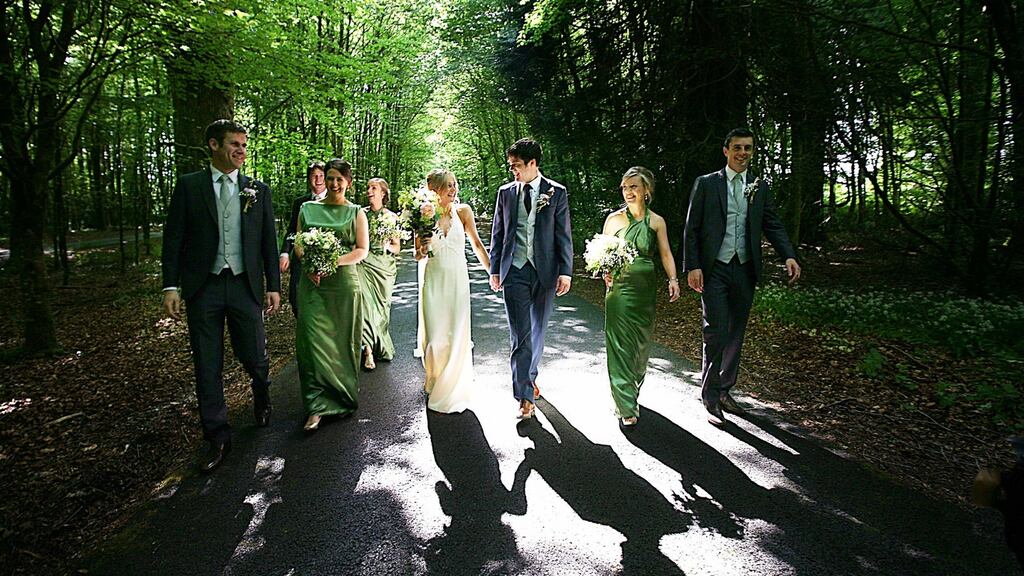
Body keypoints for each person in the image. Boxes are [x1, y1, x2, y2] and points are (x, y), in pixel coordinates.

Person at [161, 119, 281, 473]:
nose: (241, 151)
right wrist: (171, 286)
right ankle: (218, 436)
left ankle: (261, 392)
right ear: (213, 145)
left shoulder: (257, 190)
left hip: (244, 286)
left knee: (254, 356)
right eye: (234, 144)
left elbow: (267, 243)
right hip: (204, 288)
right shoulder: (189, 187)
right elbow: (174, 239)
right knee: (207, 364)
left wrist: (272, 285)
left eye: (244, 145)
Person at [682, 128, 801, 427]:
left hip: (745, 268)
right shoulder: (707, 184)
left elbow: (772, 223)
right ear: (726, 150)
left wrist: (788, 254)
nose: (743, 153)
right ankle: (710, 396)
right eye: (737, 147)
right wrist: (692, 266)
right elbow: (691, 228)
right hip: (715, 268)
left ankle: (725, 390)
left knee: (736, 331)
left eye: (748, 148)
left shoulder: (759, 187)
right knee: (716, 330)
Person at [488, 138, 573, 420]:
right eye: (511, 166)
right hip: (515, 270)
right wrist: (495, 270)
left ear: (532, 163)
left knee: (537, 332)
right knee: (520, 335)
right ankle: (524, 396)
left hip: (545, 271)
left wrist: (566, 271)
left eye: (517, 165)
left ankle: (530, 375)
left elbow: (563, 234)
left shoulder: (556, 193)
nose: (512, 170)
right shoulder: (505, 193)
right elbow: (498, 233)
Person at [293, 158, 369, 432]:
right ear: (324, 179)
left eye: (340, 179)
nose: (335, 183)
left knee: (341, 343)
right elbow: (299, 243)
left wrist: (330, 262)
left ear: (348, 182)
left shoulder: (356, 212)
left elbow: (362, 250)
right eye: (331, 178)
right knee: (311, 343)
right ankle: (316, 406)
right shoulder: (308, 209)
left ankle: (341, 397)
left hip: (343, 286)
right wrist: (310, 264)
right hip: (312, 286)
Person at [601, 167, 680, 427]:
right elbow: (602, 253)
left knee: (641, 345)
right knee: (620, 344)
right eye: (624, 187)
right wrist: (605, 271)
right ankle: (625, 405)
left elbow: (666, 253)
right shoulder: (613, 220)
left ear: (646, 190)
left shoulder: (656, 221)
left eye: (633, 186)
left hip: (645, 288)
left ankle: (631, 389)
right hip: (620, 288)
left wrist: (673, 280)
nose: (628, 192)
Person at [417, 169, 491, 413]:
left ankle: (453, 388)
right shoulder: (425, 215)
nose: (452, 189)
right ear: (434, 189)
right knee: (437, 338)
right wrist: (424, 246)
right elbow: (418, 254)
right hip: (434, 280)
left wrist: (494, 272)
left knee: (456, 336)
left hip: (458, 281)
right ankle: (435, 378)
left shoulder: (464, 212)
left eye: (454, 184)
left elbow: (477, 245)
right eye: (447, 185)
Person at [359, 177, 400, 370]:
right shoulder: (360, 214)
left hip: (384, 267)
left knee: (381, 310)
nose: (369, 191)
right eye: (368, 188)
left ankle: (380, 346)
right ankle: (367, 351)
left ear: (383, 193)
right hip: (364, 264)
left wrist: (386, 245)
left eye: (373, 188)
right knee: (365, 307)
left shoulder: (391, 217)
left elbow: (397, 248)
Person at [280, 161, 327, 317]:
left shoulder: (335, 200)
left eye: (321, 175)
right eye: (314, 176)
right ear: (309, 179)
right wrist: (285, 253)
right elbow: (292, 230)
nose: (318, 179)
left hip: (326, 260)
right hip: (301, 260)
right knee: (296, 300)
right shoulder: (300, 203)